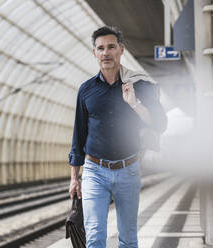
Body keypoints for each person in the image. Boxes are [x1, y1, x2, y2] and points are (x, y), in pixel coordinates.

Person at [68, 26, 167, 248]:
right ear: (94, 53)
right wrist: (75, 177)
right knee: (94, 237)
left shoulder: (140, 86)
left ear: (121, 50)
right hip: (94, 171)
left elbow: (161, 124)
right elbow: (79, 134)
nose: (106, 53)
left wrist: (135, 104)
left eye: (111, 47)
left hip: (128, 169)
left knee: (128, 238)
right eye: (100, 48)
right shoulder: (86, 90)